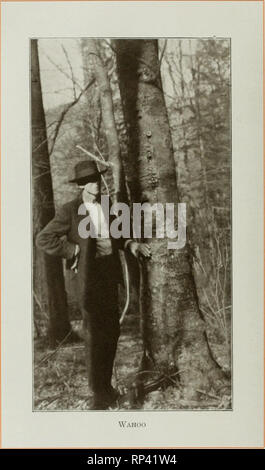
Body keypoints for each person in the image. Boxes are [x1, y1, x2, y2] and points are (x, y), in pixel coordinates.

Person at [36, 159, 151, 409]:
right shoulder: (69, 210)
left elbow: (118, 236)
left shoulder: (108, 206)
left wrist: (132, 245)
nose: (95, 183)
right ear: (81, 186)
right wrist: (73, 250)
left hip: (109, 275)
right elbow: (43, 238)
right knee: (94, 334)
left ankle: (107, 387)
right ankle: (98, 395)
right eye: (89, 181)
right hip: (88, 279)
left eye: (96, 178)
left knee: (112, 332)